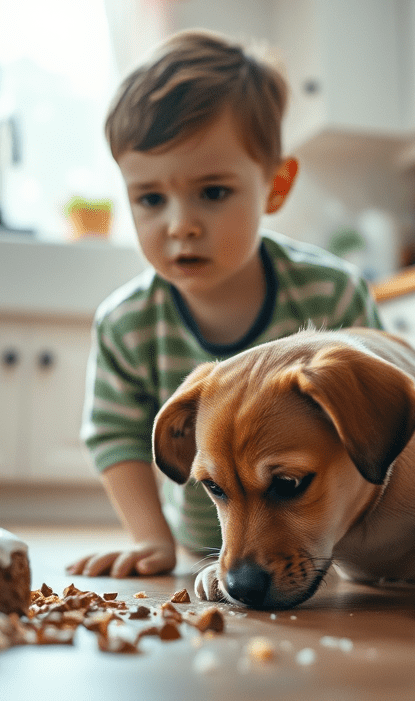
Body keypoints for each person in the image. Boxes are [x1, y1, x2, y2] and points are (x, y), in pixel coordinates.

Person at [66, 29, 382, 579]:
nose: (180, 224)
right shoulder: (126, 325)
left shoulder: (332, 295)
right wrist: (150, 540)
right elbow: (115, 435)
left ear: (275, 186)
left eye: (212, 192)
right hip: (206, 558)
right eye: (150, 199)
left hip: (339, 553)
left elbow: (377, 430)